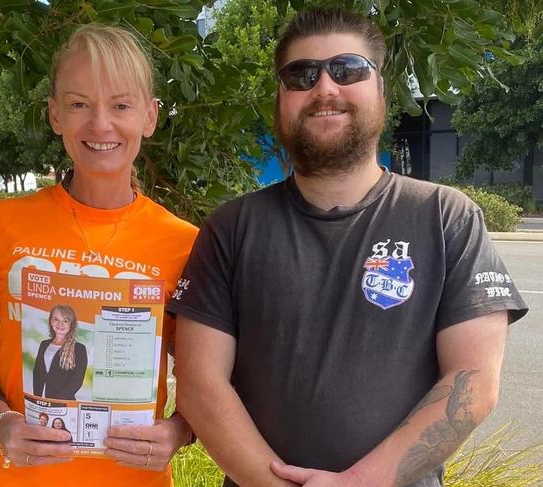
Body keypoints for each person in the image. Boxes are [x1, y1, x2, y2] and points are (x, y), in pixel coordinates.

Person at [168, 7, 529, 487]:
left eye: (347, 69)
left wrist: (359, 482)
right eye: (301, 74)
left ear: (381, 89)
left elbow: (473, 381)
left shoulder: (447, 218)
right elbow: (199, 386)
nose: (324, 88)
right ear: (280, 98)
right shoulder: (231, 227)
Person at [0, 24, 198, 487]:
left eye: (120, 105)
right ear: (55, 114)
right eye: (79, 104)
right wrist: (1, 424)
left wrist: (179, 431)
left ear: (150, 116)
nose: (100, 125)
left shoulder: (186, 245)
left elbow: (208, 382)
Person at [33, 305, 87, 400]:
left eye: (65, 321)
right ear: (51, 321)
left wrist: (56, 401)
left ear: (72, 324)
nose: (60, 324)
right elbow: (37, 373)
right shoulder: (44, 344)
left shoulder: (79, 349)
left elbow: (76, 381)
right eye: (56, 319)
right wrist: (37, 398)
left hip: (63, 403)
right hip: (42, 400)